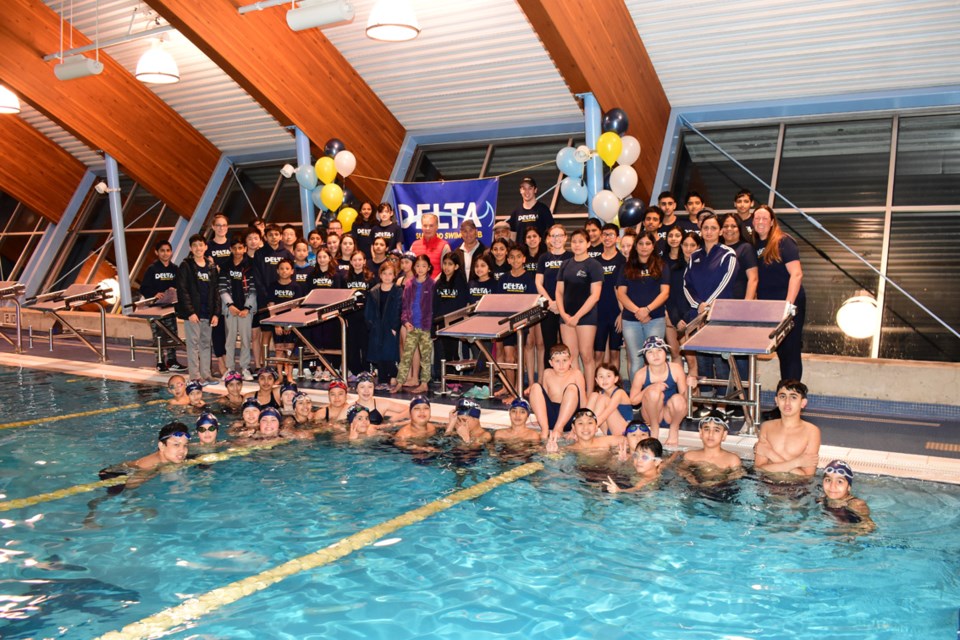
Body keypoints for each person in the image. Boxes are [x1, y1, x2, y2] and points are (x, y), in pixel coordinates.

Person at [682, 212, 738, 405]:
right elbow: (686, 284)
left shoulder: (728, 254)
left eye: (714, 228)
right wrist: (698, 305)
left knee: (720, 359)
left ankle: (723, 403)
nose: (709, 231)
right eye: (705, 228)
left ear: (720, 231)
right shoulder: (694, 256)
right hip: (697, 313)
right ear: (701, 230)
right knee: (703, 358)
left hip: (719, 314)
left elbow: (726, 282)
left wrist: (708, 305)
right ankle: (706, 400)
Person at [753, 204, 805, 381]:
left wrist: (788, 306)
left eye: (764, 218)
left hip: (787, 305)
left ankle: (791, 398)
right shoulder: (754, 245)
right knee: (781, 351)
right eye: (757, 218)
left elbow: (796, 274)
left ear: (772, 221)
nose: (760, 221)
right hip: (769, 307)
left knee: (790, 351)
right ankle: (783, 399)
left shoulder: (783, 241)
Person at [617, 231, 670, 378]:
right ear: (636, 246)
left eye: (648, 243)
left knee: (655, 360)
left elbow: (665, 292)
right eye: (640, 243)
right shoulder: (626, 267)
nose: (644, 247)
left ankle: (655, 396)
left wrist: (647, 310)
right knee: (636, 360)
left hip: (655, 319)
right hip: (630, 320)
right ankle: (636, 398)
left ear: (653, 246)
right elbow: (621, 293)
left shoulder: (661, 266)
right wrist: (637, 311)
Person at [555, 229, 603, 394]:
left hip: (586, 317)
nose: (577, 245)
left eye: (581, 241)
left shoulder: (594, 265)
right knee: (571, 356)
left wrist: (577, 316)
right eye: (574, 241)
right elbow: (559, 292)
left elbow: (595, 295)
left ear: (588, 244)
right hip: (566, 317)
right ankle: (578, 391)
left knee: (586, 356)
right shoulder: (565, 264)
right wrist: (563, 314)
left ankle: (590, 393)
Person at [175, 234, 221, 384]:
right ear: (190, 248)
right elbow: (182, 290)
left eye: (201, 245)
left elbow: (216, 291)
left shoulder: (211, 266)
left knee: (206, 344)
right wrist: (190, 312)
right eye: (195, 246)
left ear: (206, 247)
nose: (198, 248)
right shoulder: (186, 266)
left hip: (208, 312)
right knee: (193, 344)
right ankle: (195, 376)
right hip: (194, 313)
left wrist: (216, 313)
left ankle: (206, 375)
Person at [754, 379, 821, 478]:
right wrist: (798, 462)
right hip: (767, 485)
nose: (787, 402)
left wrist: (770, 454)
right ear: (776, 401)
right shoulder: (767, 427)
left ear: (803, 403)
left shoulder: (812, 432)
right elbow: (758, 468)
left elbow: (806, 476)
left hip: (795, 489)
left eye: (793, 397)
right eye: (782, 396)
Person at [629, 336, 687, 447]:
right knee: (653, 392)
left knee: (679, 399)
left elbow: (685, 399)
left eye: (659, 350)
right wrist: (649, 387)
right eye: (650, 352)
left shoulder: (676, 369)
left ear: (665, 353)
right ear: (645, 357)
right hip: (651, 415)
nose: (655, 355)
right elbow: (633, 401)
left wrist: (689, 386)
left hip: (671, 414)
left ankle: (674, 429)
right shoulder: (641, 374)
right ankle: (654, 429)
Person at [497, 246, 536, 396]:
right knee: (508, 356)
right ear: (508, 260)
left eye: (518, 256)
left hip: (523, 324)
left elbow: (532, 304)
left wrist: (531, 328)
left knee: (519, 357)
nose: (515, 260)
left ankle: (517, 390)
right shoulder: (503, 279)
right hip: (507, 324)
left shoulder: (529, 279)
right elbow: (499, 302)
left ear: (524, 259)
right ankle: (509, 386)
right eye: (512, 257)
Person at [139, 240, 183, 372]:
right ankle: (159, 362)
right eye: (162, 251)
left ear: (171, 252)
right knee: (158, 336)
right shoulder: (152, 269)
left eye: (168, 250)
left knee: (172, 335)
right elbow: (143, 288)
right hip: (154, 309)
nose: (165, 253)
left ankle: (172, 361)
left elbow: (180, 286)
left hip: (169, 309)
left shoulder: (175, 269)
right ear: (157, 252)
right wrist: (154, 294)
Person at [393, 255, 435, 394]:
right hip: (411, 326)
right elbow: (404, 306)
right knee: (406, 355)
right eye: (418, 266)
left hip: (425, 327)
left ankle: (424, 383)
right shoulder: (410, 284)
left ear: (428, 267)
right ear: (414, 267)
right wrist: (405, 321)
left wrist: (430, 325)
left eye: (424, 266)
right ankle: (399, 383)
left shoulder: (432, 284)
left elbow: (434, 307)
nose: (420, 269)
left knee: (426, 356)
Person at [529, 344, 586, 441]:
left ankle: (558, 429)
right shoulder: (547, 373)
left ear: (570, 360)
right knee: (535, 387)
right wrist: (540, 419)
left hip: (568, 420)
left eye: (564, 360)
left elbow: (583, 401)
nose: (561, 365)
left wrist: (580, 423)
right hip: (550, 419)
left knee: (572, 388)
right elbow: (543, 399)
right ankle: (545, 429)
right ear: (551, 363)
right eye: (557, 361)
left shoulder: (576, 374)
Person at [219, 235, 257, 380]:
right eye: (234, 248)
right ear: (230, 249)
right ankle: (230, 368)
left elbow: (253, 289)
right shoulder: (225, 266)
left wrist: (247, 308)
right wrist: (230, 305)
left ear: (245, 249)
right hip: (230, 310)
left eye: (240, 248)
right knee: (230, 339)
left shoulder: (251, 266)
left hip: (246, 310)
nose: (237, 250)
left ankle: (245, 367)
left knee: (246, 340)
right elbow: (222, 288)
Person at [535, 224, 572, 369]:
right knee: (549, 345)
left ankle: (568, 381)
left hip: (566, 308)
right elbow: (538, 283)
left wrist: (560, 304)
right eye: (553, 236)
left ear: (565, 238)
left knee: (567, 347)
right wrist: (550, 302)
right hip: (548, 308)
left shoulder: (571, 257)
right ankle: (548, 381)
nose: (556, 239)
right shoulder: (543, 258)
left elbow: (573, 282)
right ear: (549, 239)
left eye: (560, 235)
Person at [676, 413, 744, 486]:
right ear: (701, 433)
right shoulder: (690, 456)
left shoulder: (732, 460)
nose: (710, 434)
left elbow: (736, 477)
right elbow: (681, 470)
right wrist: (691, 478)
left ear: (724, 435)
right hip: (695, 490)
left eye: (716, 430)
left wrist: (715, 484)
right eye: (706, 429)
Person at [594, 223, 626, 373]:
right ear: (601, 237)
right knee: (598, 353)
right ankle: (596, 389)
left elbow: (624, 290)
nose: (607, 238)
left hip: (616, 313)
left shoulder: (622, 261)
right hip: (599, 313)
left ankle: (615, 388)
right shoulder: (595, 262)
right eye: (605, 235)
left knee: (614, 352)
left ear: (617, 238)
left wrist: (622, 313)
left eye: (611, 235)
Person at [365, 261, 402, 389]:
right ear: (380, 275)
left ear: (394, 275)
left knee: (390, 353)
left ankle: (393, 375)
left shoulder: (397, 291)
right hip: (377, 326)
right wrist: (371, 325)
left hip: (390, 326)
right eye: (384, 273)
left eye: (390, 274)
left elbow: (399, 310)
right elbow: (368, 311)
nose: (387, 276)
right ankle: (381, 379)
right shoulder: (374, 291)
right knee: (378, 353)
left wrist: (395, 326)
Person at [433, 253, 470, 381]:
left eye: (450, 264)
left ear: (456, 266)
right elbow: (434, 304)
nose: (446, 267)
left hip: (454, 324)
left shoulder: (461, 284)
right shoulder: (438, 283)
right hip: (440, 324)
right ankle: (443, 379)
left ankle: (454, 380)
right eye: (445, 264)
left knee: (453, 353)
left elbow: (462, 305)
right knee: (442, 353)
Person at [265, 258, 300, 382]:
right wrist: (277, 324)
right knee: (279, 351)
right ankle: (280, 376)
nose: (284, 271)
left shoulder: (296, 287)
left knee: (290, 351)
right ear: (277, 271)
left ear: (292, 271)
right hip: (277, 325)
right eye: (281, 269)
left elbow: (295, 308)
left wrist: (289, 325)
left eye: (287, 268)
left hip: (290, 324)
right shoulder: (273, 286)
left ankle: (289, 376)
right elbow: (271, 307)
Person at [343, 251, 374, 378]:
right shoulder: (345, 278)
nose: (357, 262)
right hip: (351, 316)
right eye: (354, 260)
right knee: (352, 345)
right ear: (350, 262)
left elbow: (373, 298)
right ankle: (354, 371)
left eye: (359, 260)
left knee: (365, 344)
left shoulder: (370, 277)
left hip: (365, 316)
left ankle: (366, 370)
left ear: (364, 261)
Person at [820, 460, 875, 532]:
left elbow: (869, 527)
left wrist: (843, 532)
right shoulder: (823, 499)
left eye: (839, 481)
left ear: (849, 487)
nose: (832, 486)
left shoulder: (855, 504)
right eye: (828, 480)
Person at [545, 408, 621, 454]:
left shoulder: (607, 441)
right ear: (574, 428)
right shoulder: (570, 449)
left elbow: (631, 441)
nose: (585, 427)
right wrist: (552, 453)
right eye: (580, 423)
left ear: (596, 427)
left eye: (590, 422)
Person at [587, 362, 633, 436]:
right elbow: (587, 413)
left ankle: (587, 426)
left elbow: (605, 414)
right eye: (601, 377)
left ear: (616, 379)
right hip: (608, 429)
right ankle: (586, 425)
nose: (605, 380)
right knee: (594, 395)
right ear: (597, 380)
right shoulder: (600, 394)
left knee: (603, 398)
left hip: (625, 431)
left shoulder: (620, 393)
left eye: (608, 376)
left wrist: (587, 428)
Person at [125, 422, 191, 471]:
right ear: (161, 446)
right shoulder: (148, 468)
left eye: (185, 445)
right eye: (176, 445)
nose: (182, 450)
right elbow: (131, 486)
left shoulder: (170, 458)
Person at [507, 176, 554, 242]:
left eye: (530, 188)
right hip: (521, 251)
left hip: (540, 251)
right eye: (524, 188)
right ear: (520, 191)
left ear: (535, 190)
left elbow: (551, 232)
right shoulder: (516, 212)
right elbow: (513, 235)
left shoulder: (543, 209)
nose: (527, 191)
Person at [410, 212, 451, 277]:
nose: (427, 228)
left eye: (431, 226)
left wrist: (433, 284)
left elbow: (447, 271)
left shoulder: (444, 246)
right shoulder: (414, 246)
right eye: (425, 225)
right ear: (421, 227)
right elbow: (410, 270)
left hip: (437, 286)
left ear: (437, 227)